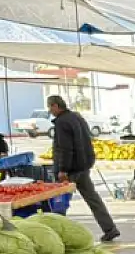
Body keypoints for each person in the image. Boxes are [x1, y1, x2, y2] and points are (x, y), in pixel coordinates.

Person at [47, 95, 120, 243]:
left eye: (50, 107)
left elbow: (65, 148)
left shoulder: (62, 122)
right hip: (83, 166)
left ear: (56, 106)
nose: (50, 111)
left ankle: (56, 236)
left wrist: (63, 169)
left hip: (70, 170)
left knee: (60, 203)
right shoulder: (77, 117)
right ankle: (110, 228)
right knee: (93, 199)